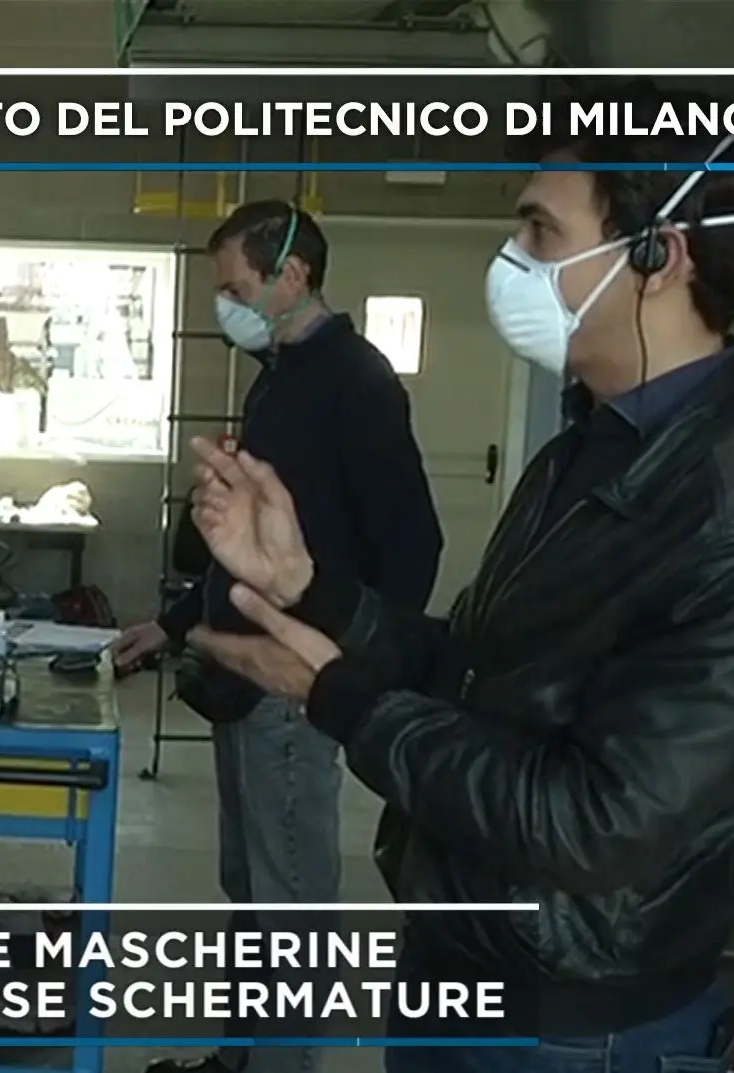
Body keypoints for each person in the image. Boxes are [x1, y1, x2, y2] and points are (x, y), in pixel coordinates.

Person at [184, 86, 734, 1073]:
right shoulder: (586, 449)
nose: (511, 260)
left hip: (577, 1027)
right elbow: (473, 670)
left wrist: (332, 693)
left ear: (657, 255)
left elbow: (592, 822)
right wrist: (309, 586)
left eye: (540, 231)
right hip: (464, 962)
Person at [122, 201, 444, 1073]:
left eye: (235, 289)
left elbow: (412, 547)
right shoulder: (278, 376)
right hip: (240, 678)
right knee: (250, 888)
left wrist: (341, 668)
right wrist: (174, 623)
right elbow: (249, 547)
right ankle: (243, 1057)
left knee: (291, 900)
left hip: (293, 684)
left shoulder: (357, 383)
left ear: (293, 274)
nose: (224, 306)